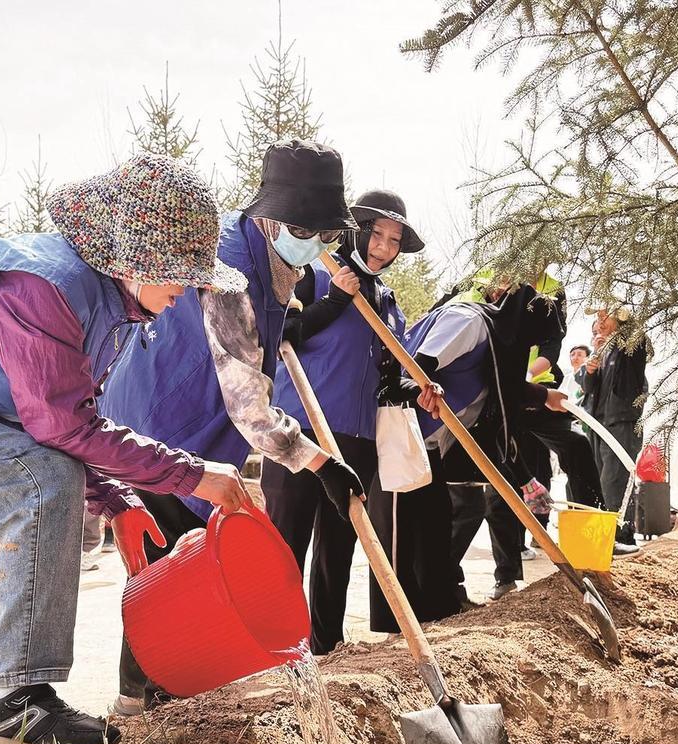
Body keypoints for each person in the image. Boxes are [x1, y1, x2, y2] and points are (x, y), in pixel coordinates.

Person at [0, 154, 253, 744]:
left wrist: (116, 501)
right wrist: (191, 475)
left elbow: (62, 415)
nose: (186, 290)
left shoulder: (113, 301)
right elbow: (59, 428)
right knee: (40, 482)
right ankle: (16, 697)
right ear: (133, 259)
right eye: (178, 275)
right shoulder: (41, 284)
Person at [99, 140, 366, 711]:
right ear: (268, 216)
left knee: (181, 556)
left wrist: (286, 321)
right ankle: (144, 696)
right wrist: (320, 461)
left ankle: (159, 686)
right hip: (159, 419)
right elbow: (249, 407)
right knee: (168, 558)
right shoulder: (231, 276)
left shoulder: (273, 257)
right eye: (304, 227)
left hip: (190, 416)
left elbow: (259, 344)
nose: (316, 242)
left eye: (326, 232)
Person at [263, 189, 418, 655]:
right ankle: (277, 648)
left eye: (394, 240)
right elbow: (281, 335)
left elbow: (389, 375)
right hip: (301, 432)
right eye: (378, 234)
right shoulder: (313, 275)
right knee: (287, 542)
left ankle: (325, 645)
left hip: (356, 438)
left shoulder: (389, 304)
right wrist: (335, 301)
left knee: (339, 546)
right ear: (357, 227)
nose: (384, 248)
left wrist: (419, 388)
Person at [371, 279, 564, 630]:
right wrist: (422, 389)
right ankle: (396, 624)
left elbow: (503, 385)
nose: (527, 348)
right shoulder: (468, 321)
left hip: (430, 446)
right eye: (530, 338)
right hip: (401, 435)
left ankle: (435, 611)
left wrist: (544, 397)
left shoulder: (497, 341)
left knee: (437, 525)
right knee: (401, 533)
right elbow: (414, 366)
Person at [454, 276, 606, 600]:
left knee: (577, 446)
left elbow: (552, 343)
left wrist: (528, 379)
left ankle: (590, 552)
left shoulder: (552, 288)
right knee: (501, 482)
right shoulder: (489, 279)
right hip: (496, 395)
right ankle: (506, 577)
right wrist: (511, 382)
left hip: (537, 391)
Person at [584, 306, 648, 553]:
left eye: (604, 317)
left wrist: (621, 317)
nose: (599, 323)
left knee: (616, 481)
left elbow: (636, 336)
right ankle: (608, 536)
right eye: (596, 320)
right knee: (602, 482)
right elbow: (590, 390)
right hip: (600, 425)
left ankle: (623, 536)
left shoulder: (630, 347)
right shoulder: (603, 355)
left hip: (622, 423)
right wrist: (590, 370)